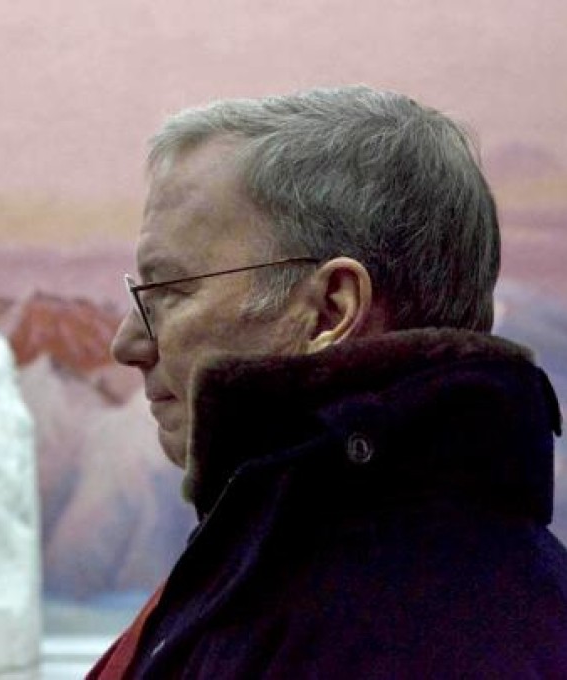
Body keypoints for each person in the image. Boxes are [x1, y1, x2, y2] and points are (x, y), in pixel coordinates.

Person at [90, 86, 567, 677]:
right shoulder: (286, 560)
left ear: (329, 311)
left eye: (169, 292)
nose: (127, 344)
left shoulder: (406, 631)